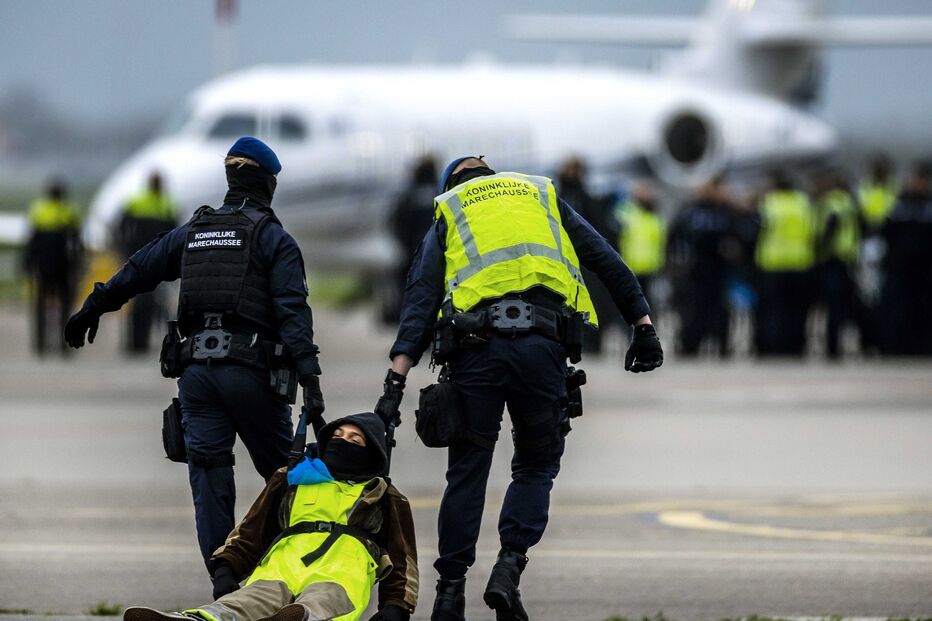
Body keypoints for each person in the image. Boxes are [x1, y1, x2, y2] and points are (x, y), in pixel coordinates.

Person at [381, 156, 662, 621]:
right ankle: (508, 569)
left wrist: (396, 381)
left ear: (452, 182)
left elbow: (420, 298)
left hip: (476, 352)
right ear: (492, 176)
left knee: (468, 470)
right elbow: (605, 258)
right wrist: (643, 325)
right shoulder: (540, 193)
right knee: (534, 464)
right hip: (542, 349)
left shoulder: (450, 208)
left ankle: (450, 595)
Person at [64, 137, 325, 573]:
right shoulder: (273, 239)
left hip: (197, 377)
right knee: (288, 479)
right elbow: (293, 313)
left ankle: (224, 580)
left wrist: (93, 307)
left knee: (209, 477)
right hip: (252, 376)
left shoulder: (195, 232)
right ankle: (294, 576)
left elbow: (137, 272)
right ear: (267, 183)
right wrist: (312, 383)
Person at [123, 412, 418, 621]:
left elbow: (403, 558)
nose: (343, 441)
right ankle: (199, 620)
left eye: (355, 439)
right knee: (244, 602)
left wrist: (396, 606)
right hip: (280, 568)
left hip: (340, 574)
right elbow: (252, 529)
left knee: (320, 602)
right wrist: (227, 567)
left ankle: (301, 620)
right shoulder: (291, 479)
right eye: (338, 435)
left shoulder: (382, 494)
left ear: (372, 453)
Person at [555, 157, 621, 354]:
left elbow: (600, 231)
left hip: (585, 264)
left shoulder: (588, 200)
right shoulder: (556, 197)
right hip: (562, 261)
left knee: (592, 303)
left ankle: (591, 341)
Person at [666, 176, 738, 357]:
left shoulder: (727, 212)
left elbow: (737, 239)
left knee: (720, 312)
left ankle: (722, 346)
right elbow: (673, 238)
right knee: (693, 312)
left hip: (720, 272)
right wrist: (675, 264)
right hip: (694, 272)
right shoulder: (689, 212)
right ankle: (690, 346)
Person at [753, 169, 817, 356]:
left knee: (774, 310)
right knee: (798, 311)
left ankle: (774, 348)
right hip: (800, 263)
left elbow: (757, 231)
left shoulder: (769, 204)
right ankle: (796, 347)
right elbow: (813, 231)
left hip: (773, 265)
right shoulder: (804, 204)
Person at [115, 171, 180, 353]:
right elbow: (176, 234)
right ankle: (140, 343)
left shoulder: (137, 201)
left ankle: (136, 343)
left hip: (139, 257)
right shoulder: (168, 204)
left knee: (139, 301)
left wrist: (125, 248)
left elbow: (121, 226)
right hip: (155, 259)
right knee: (149, 302)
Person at [22, 178, 83, 355]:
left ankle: (41, 344)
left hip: (45, 265)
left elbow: (31, 241)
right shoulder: (70, 210)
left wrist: (28, 262)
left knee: (42, 305)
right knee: (64, 304)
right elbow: (76, 241)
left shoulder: (39, 209)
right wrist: (78, 262)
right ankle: (63, 343)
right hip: (62, 265)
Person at [878, 161, 932, 355]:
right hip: (900, 268)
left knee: (923, 310)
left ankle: (922, 347)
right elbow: (886, 231)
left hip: (924, 270)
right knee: (897, 309)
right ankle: (895, 347)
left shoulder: (927, 206)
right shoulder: (900, 205)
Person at [812, 168, 867, 359]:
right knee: (844, 305)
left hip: (833, 260)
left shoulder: (832, 202)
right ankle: (848, 344)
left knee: (833, 306)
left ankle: (832, 346)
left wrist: (819, 251)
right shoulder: (850, 203)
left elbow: (829, 230)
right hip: (848, 260)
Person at [383, 156, 439, 324]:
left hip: (412, 256)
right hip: (437, 256)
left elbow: (395, 224)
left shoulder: (407, 196)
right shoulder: (443, 194)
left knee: (410, 300)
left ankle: (408, 340)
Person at [615, 180, 666, 310]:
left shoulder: (655, 217)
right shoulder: (627, 212)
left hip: (650, 268)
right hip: (630, 267)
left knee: (648, 304)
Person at [858, 153, 898, 234]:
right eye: (877, 167)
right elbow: (862, 204)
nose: (879, 170)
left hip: (889, 228)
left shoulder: (893, 185)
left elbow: (893, 205)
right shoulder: (865, 185)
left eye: (882, 168)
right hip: (866, 227)